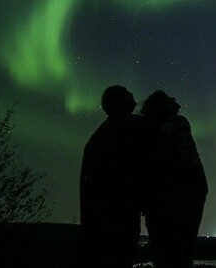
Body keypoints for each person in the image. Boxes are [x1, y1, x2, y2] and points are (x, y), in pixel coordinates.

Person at [79, 85, 146, 268]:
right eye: (127, 93)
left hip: (99, 221)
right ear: (122, 101)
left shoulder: (95, 140)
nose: (133, 94)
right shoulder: (131, 126)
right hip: (122, 215)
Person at [141, 90, 208, 268]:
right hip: (185, 196)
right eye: (169, 98)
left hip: (156, 200)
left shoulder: (144, 130)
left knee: (162, 254)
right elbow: (186, 158)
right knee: (181, 252)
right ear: (163, 105)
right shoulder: (177, 123)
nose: (175, 99)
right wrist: (200, 186)